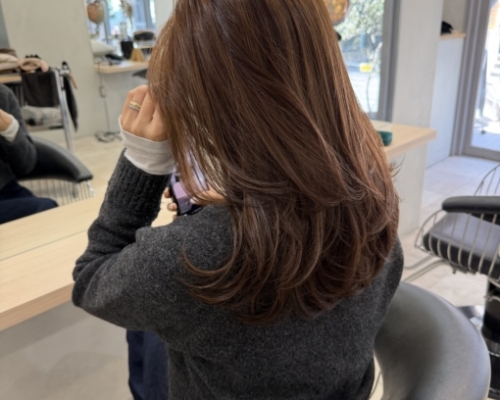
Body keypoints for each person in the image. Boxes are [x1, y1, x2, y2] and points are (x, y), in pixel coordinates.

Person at [72, 1, 403, 399]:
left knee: (144, 337)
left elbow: (92, 279)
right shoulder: (375, 207)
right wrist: (237, 208)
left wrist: (142, 164)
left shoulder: (195, 258)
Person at [0, 84, 57, 224]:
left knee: (47, 212)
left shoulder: (3, 96)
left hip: (7, 191)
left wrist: (10, 130)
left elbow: (26, 165)